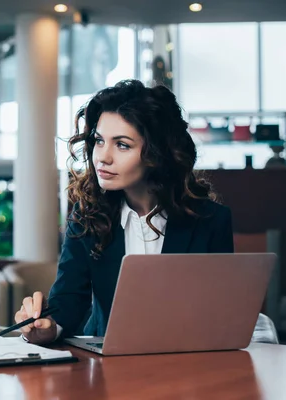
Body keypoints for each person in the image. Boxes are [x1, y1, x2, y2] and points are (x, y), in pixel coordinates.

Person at [15, 80, 234, 344]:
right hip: (107, 367)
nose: (102, 157)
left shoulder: (210, 220)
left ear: (158, 153)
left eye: (122, 145)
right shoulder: (87, 219)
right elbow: (68, 301)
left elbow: (220, 312)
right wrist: (47, 327)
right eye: (99, 141)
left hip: (185, 365)